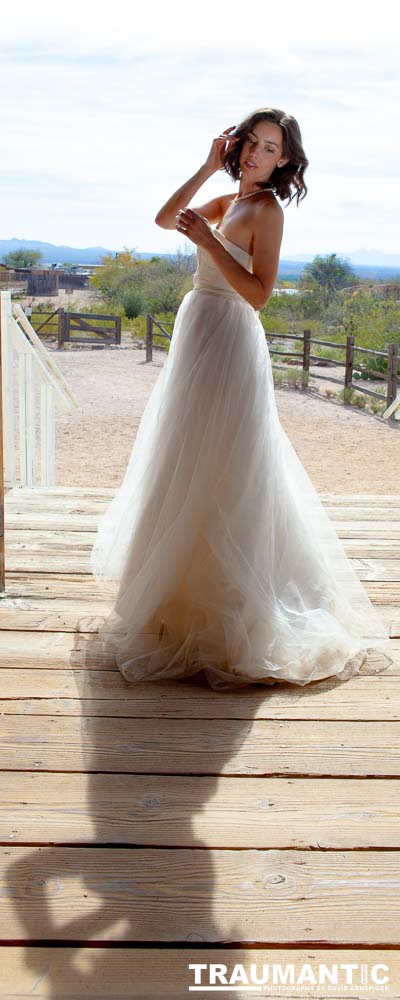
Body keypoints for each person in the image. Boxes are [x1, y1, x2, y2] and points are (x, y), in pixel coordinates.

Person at [90, 106, 393, 692]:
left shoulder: (266, 211)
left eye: (270, 147)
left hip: (229, 338)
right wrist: (206, 168)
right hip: (197, 333)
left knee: (229, 462)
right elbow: (160, 219)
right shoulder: (227, 200)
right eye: (250, 142)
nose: (256, 153)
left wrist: (210, 241)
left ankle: (233, 607)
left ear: (285, 160)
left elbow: (259, 295)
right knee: (183, 454)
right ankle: (174, 599)